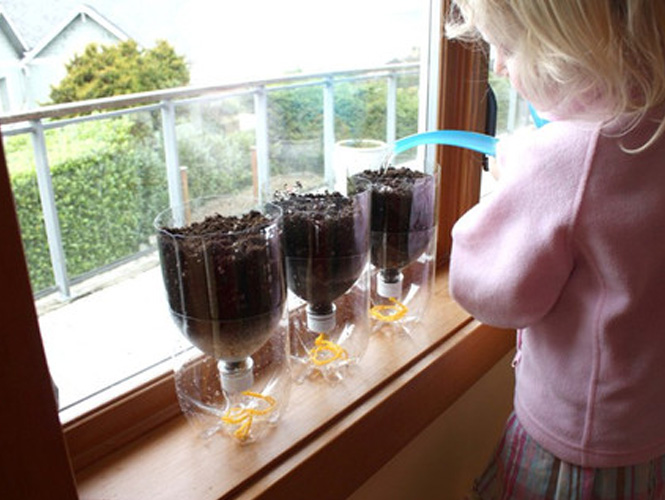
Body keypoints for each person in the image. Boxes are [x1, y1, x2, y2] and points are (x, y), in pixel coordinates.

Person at [445, 1, 665, 498]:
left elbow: (490, 291)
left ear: (569, 46)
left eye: (508, 47)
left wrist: (513, 187)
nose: (498, 66)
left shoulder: (565, 158)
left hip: (577, 452)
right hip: (650, 430)